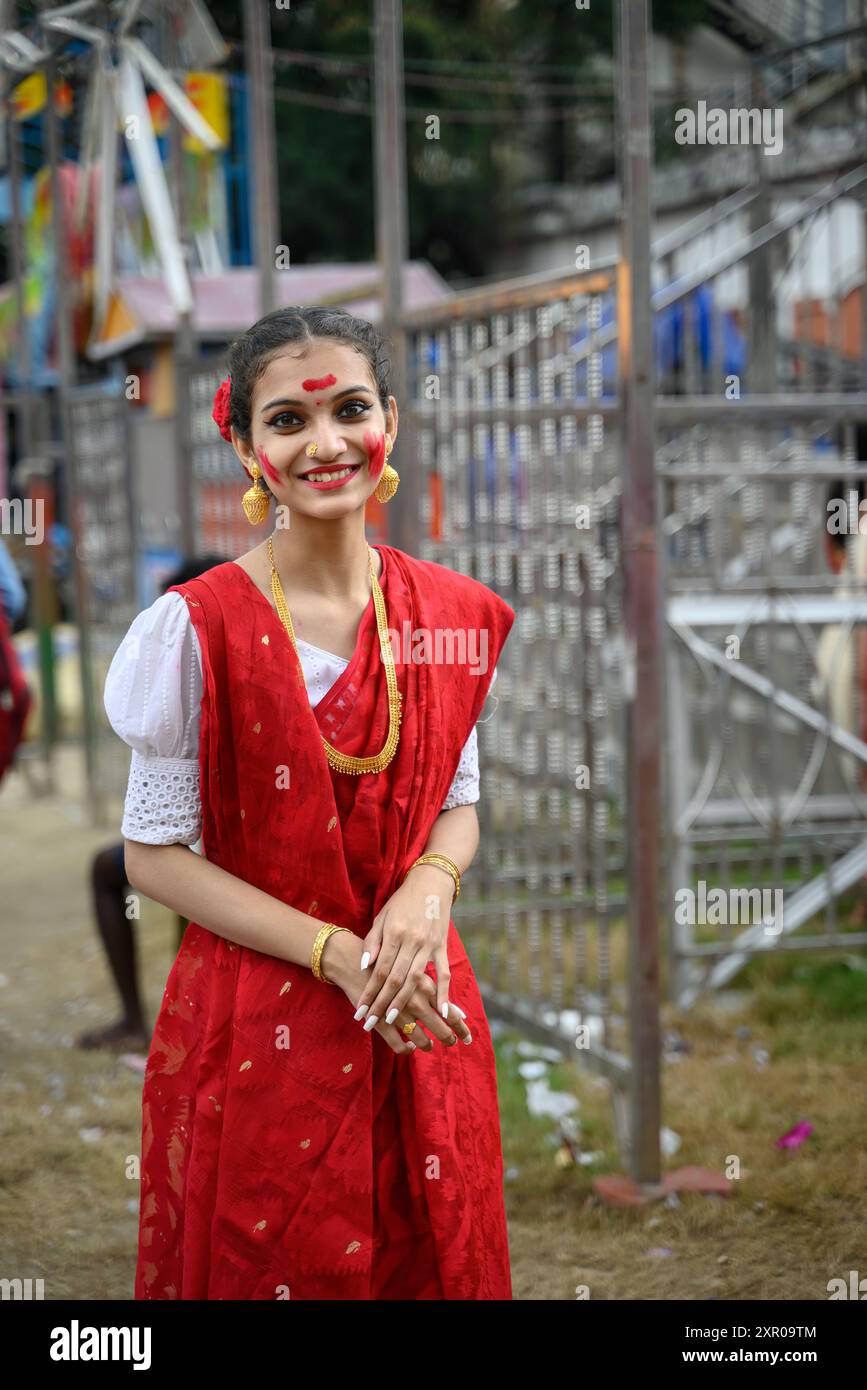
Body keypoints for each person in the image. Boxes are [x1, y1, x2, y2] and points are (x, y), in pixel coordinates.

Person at [104, 306, 515, 1301]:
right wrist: (333, 952)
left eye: (351, 409)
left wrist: (429, 885)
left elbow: (458, 799)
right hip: (262, 1014)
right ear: (245, 446)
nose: (326, 444)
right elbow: (152, 855)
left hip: (420, 1005)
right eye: (287, 420)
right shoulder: (193, 629)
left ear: (392, 426)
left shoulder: (448, 613)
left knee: (427, 1254)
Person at [78, 554, 225, 1053]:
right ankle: (168, 1022)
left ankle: (160, 1022)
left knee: (183, 881)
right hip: (203, 840)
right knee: (138, 868)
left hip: (226, 846)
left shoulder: (202, 641)